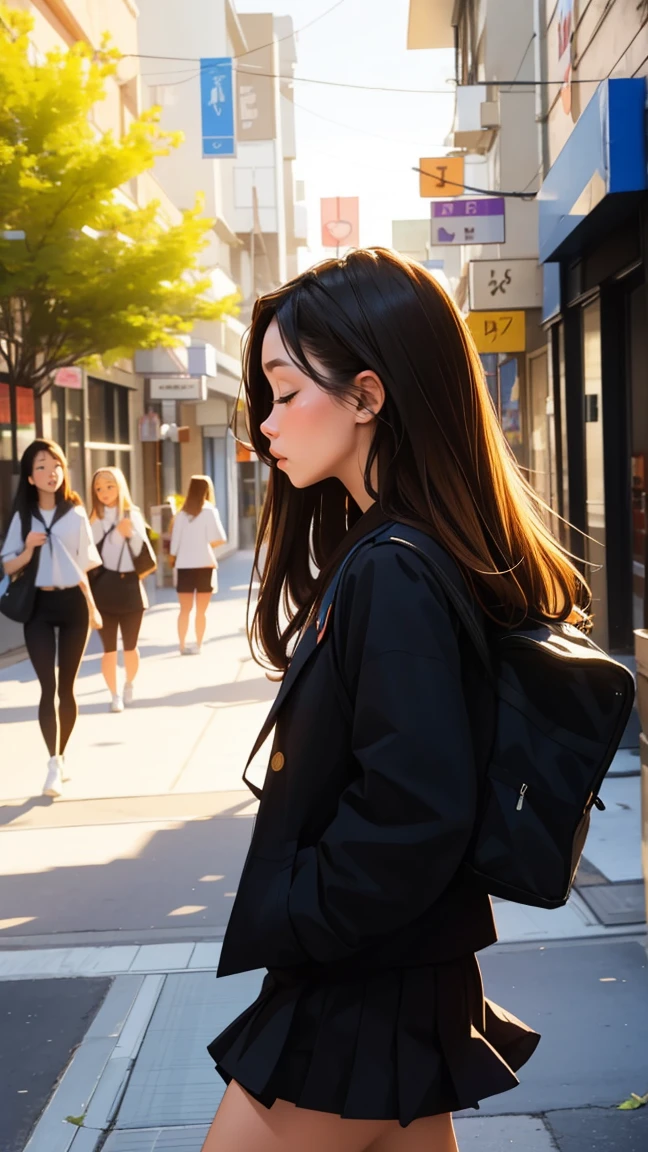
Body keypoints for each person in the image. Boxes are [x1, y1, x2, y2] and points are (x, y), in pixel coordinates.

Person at [201, 249, 591, 1152]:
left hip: (361, 980)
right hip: (398, 964)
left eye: (285, 391)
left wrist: (295, 910)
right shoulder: (398, 551)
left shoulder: (393, 567)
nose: (265, 423)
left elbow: (415, 808)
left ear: (368, 396)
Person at [1, 439, 102, 798]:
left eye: (55, 465)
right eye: (41, 467)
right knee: (48, 687)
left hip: (73, 605)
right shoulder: (22, 517)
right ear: (30, 477)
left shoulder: (75, 514)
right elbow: (7, 565)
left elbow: (83, 569)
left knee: (68, 688)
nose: (50, 472)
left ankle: (64, 753)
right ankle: (53, 761)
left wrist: (92, 607)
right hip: (39, 609)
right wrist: (29, 547)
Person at [89, 467, 149, 712]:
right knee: (109, 650)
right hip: (104, 589)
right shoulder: (93, 520)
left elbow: (145, 554)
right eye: (99, 488)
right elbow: (90, 556)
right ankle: (114, 694)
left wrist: (130, 534)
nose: (104, 492)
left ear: (120, 486)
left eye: (109, 486)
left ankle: (129, 684)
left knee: (131, 646)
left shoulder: (132, 514)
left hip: (130, 588)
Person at [169, 475, 227, 655]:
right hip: (205, 565)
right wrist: (205, 543)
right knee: (201, 611)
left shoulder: (181, 514)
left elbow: (174, 544)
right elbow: (220, 539)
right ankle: (199, 645)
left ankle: (181, 645)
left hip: (184, 566)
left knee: (184, 610)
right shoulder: (210, 511)